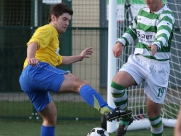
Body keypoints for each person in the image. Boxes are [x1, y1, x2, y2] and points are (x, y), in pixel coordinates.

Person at [19, 3, 129, 136]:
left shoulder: (53, 39)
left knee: (50, 118)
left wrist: (79, 57)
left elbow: (58, 60)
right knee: (80, 84)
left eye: (68, 20)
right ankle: (106, 109)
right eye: (64, 19)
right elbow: (33, 42)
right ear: (53, 18)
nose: (67, 23)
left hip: (28, 79)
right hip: (37, 70)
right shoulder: (48, 30)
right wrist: (31, 58)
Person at [106, 0, 175, 136]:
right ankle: (126, 117)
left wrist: (156, 45)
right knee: (116, 86)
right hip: (138, 61)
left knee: (153, 115)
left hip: (158, 67)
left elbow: (163, 33)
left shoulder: (166, 15)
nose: (147, 1)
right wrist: (121, 42)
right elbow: (132, 30)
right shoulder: (141, 12)